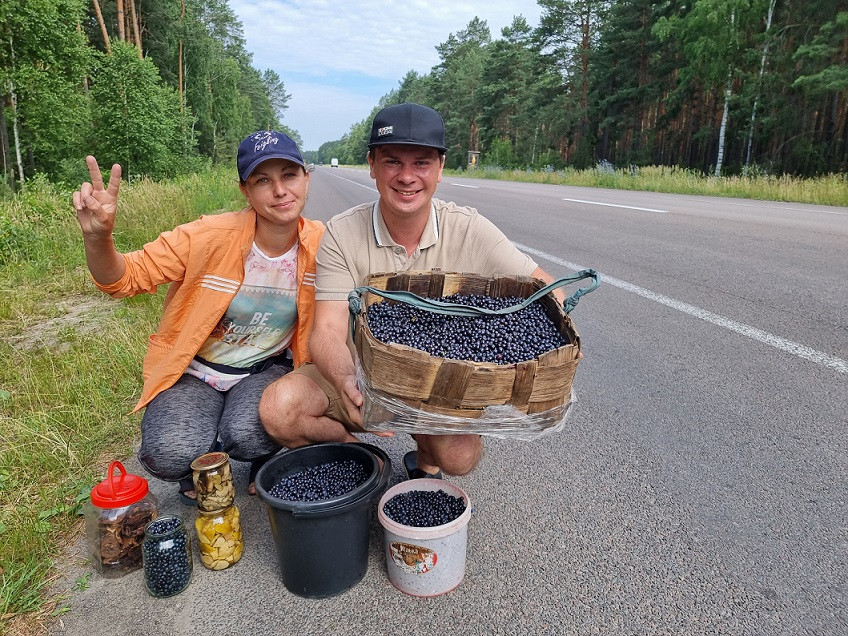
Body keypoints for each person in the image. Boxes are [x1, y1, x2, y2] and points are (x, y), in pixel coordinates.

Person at [259, 103, 565, 479]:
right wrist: (345, 381)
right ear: (372, 165)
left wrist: (529, 356)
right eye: (392, 162)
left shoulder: (469, 229)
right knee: (279, 409)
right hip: (362, 369)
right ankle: (362, 458)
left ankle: (426, 457)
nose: (406, 177)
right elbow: (326, 330)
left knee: (459, 459)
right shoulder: (342, 232)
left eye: (421, 162)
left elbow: (550, 293)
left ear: (440, 168)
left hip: (441, 382)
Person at [72, 131, 324, 502]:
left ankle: (260, 457)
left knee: (251, 432)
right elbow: (124, 279)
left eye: (289, 175)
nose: (280, 191)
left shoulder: (322, 243)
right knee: (168, 453)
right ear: (245, 192)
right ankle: (194, 459)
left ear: (306, 178)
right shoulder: (207, 236)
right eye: (262, 180)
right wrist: (98, 238)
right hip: (195, 371)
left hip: (264, 370)